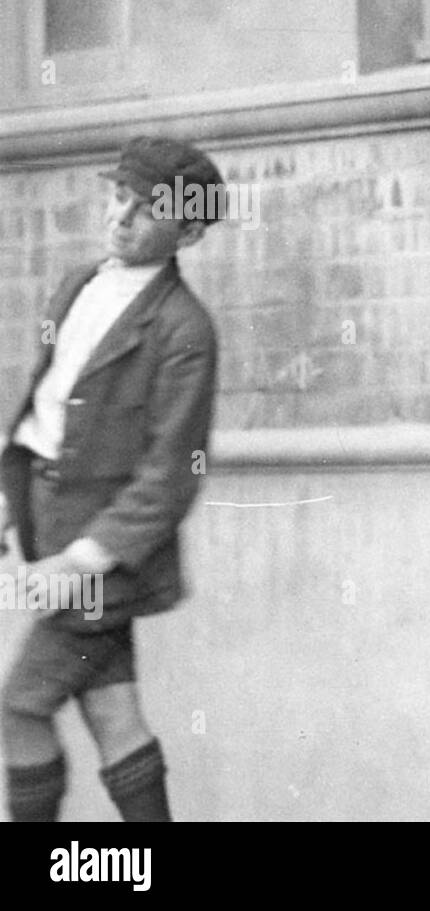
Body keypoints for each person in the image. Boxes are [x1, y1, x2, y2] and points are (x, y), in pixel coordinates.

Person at [0, 136, 224, 822]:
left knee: (16, 707)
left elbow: (169, 478)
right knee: (113, 715)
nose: (118, 217)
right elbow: (44, 409)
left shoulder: (184, 330)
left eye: (144, 208)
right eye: (117, 197)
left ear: (188, 228)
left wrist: (79, 559)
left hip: (103, 560)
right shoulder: (76, 284)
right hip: (47, 529)